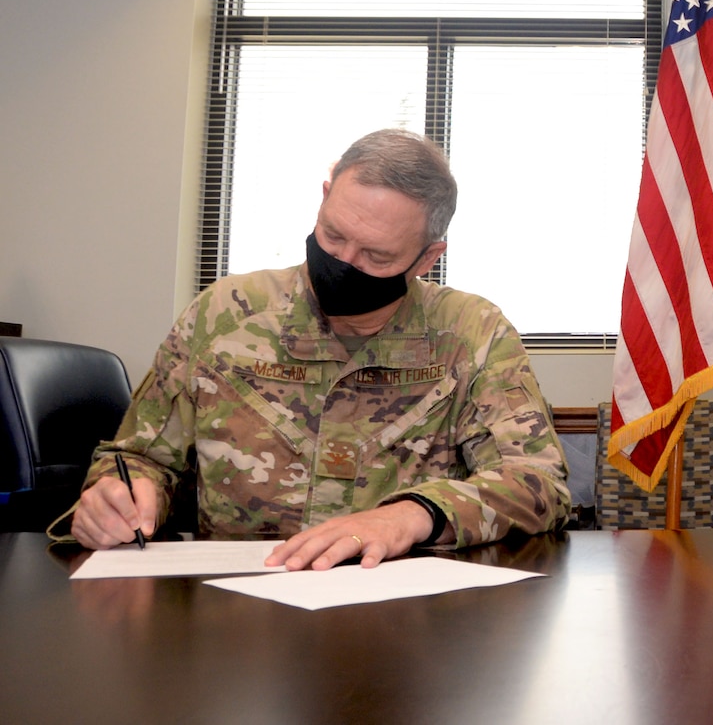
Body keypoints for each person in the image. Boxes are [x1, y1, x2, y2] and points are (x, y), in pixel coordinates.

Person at [55, 129, 570, 568]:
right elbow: (139, 458)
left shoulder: (471, 332)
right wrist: (118, 497)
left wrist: (413, 514)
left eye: (376, 255)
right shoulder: (225, 314)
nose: (344, 261)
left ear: (427, 257)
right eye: (333, 234)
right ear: (324, 196)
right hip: (236, 615)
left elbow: (537, 483)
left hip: (405, 617)